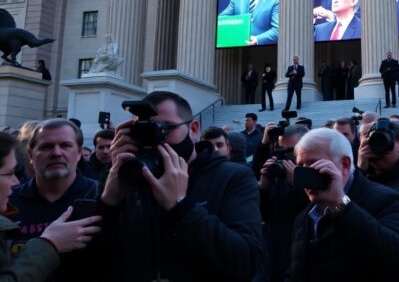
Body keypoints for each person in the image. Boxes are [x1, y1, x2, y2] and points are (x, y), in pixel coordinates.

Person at [97, 91, 265, 281]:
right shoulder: (124, 176)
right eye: (144, 131)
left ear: (193, 129)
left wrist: (181, 207)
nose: (155, 139)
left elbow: (246, 262)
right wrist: (108, 204)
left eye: (164, 129)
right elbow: (92, 262)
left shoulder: (234, 177)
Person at [286, 128, 399, 281]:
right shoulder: (305, 217)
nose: (305, 175)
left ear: (345, 165)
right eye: (301, 166)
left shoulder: (385, 200)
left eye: (315, 164)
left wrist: (341, 204)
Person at [0, 131, 102, 281]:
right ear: (30, 155)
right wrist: (49, 244)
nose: (56, 153)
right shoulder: (10, 201)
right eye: (46, 146)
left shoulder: (101, 195)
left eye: (66, 145)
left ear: (79, 152)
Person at [257, 124, 309, 282]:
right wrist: (263, 187)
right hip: (276, 255)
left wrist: (299, 184)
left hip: (304, 258)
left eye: (291, 151)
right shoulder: (276, 174)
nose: (286, 157)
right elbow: (263, 215)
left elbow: (321, 210)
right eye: (281, 150)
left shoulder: (317, 174)